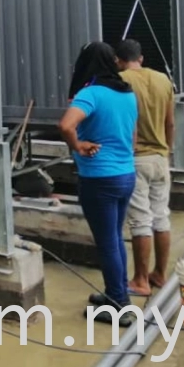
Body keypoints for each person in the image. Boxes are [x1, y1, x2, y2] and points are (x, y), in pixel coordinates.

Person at [59, 42, 138, 322]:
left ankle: (119, 304)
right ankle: (115, 292)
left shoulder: (90, 93)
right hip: (126, 175)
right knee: (115, 238)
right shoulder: (127, 93)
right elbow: (133, 136)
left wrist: (78, 145)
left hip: (99, 179)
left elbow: (66, 125)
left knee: (107, 243)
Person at [115, 39, 174, 297]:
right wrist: (166, 151)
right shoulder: (163, 80)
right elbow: (170, 122)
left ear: (119, 59)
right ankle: (160, 274)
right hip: (161, 157)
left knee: (140, 221)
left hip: (136, 159)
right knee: (161, 217)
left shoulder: (121, 81)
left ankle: (140, 280)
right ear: (141, 57)